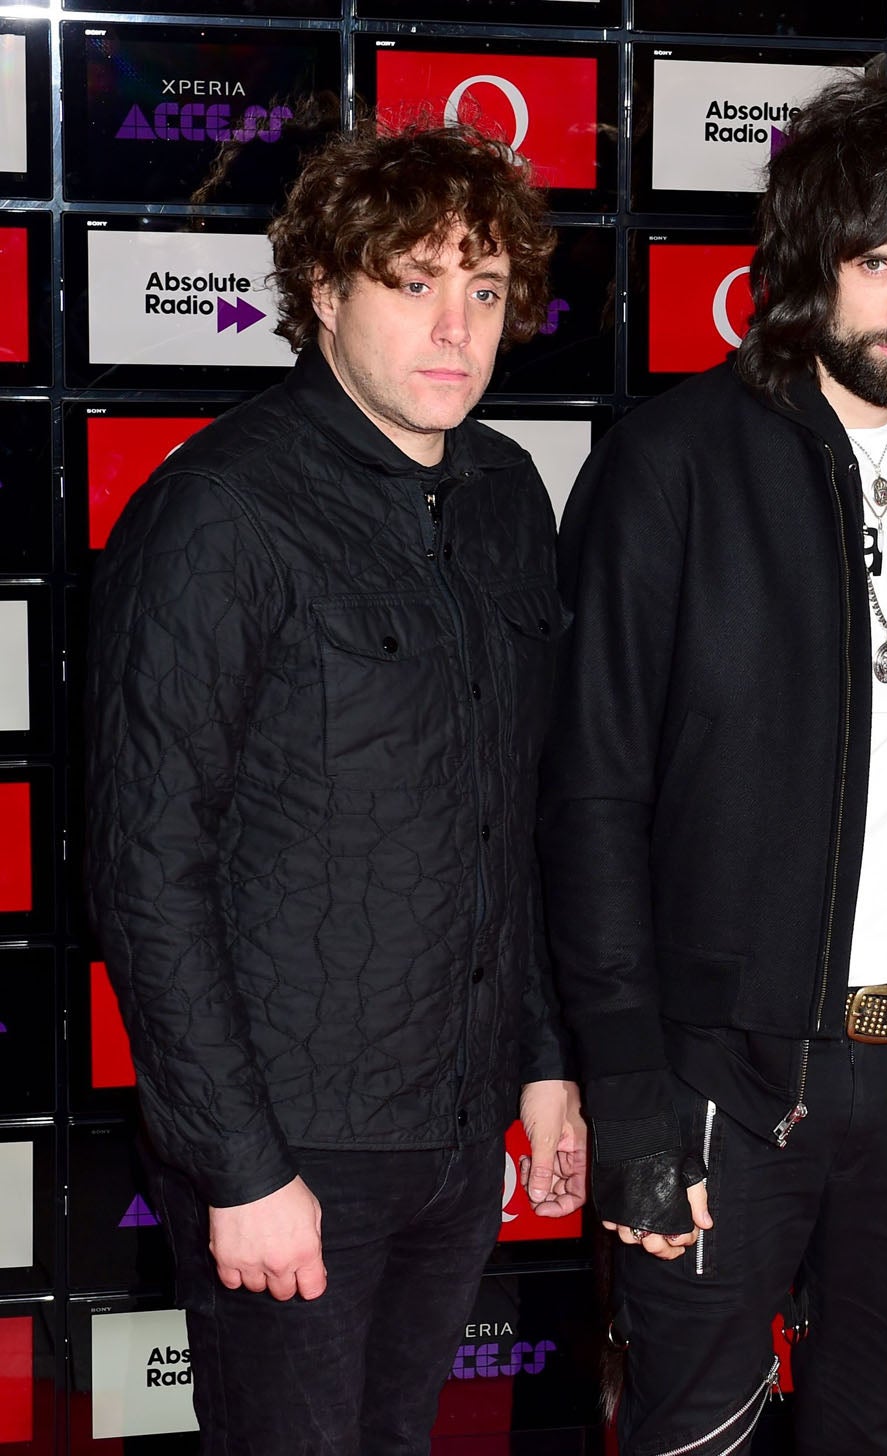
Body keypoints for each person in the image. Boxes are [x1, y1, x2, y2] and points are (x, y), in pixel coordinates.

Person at [540, 72, 887, 1456]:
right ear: (809, 263)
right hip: (725, 1071)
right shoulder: (673, 462)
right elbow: (591, 800)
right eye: (879, 263)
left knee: (880, 1432)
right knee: (695, 1434)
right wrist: (630, 1093)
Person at [86, 125, 585, 1455]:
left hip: (453, 1127)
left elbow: (512, 813)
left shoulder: (504, 495)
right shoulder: (223, 513)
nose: (456, 327)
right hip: (290, 1140)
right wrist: (241, 1166)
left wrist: (539, 1064)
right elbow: (147, 864)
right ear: (323, 293)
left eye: (483, 292)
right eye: (414, 281)